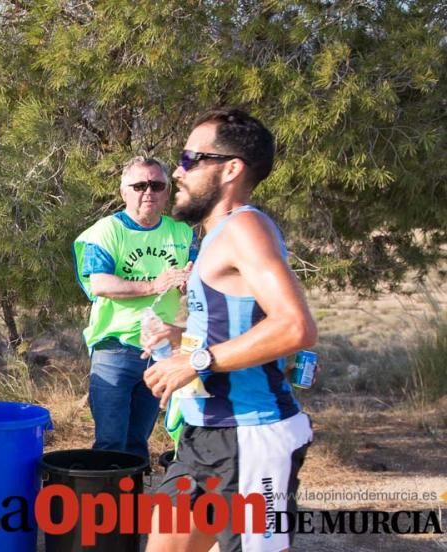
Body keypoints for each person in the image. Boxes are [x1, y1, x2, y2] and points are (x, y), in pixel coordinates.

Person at [143, 107, 317, 552]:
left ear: (231, 169)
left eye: (189, 159)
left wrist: (197, 362)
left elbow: (295, 327)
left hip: (252, 435)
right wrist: (177, 340)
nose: (177, 172)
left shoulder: (246, 228)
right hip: (206, 434)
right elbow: (236, 328)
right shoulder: (214, 235)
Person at [72, 156, 195, 461]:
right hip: (115, 349)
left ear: (167, 191)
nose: (148, 192)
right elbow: (99, 284)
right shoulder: (106, 231)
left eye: (156, 185)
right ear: (123, 191)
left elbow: (198, 280)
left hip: (159, 350)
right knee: (111, 443)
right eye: (139, 185)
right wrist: (155, 284)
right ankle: (104, 508)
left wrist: (190, 282)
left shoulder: (181, 233)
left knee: (138, 444)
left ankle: (133, 508)